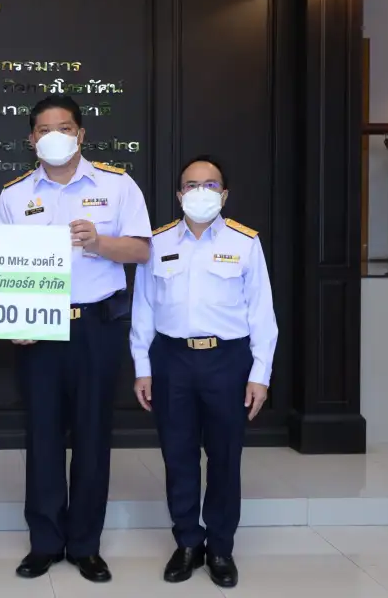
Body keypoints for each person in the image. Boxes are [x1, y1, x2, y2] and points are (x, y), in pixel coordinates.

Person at [0, 95, 151, 583]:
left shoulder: (117, 185)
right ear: (31, 139)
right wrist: (14, 321)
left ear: (80, 134)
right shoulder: (14, 195)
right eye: (44, 130)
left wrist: (99, 243)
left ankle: (85, 545)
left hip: (95, 327)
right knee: (42, 436)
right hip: (37, 329)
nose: (54, 136)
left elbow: (142, 250)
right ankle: (44, 542)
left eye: (64, 127)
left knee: (92, 436)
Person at [129, 156, 278, 589]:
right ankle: (188, 543)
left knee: (225, 457)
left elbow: (262, 313)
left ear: (224, 195)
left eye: (210, 185)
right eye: (191, 185)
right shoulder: (157, 242)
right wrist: (142, 367)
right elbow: (143, 309)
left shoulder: (245, 242)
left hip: (227, 361)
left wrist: (260, 374)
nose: (200, 192)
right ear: (179, 194)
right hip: (171, 360)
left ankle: (221, 548)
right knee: (177, 456)